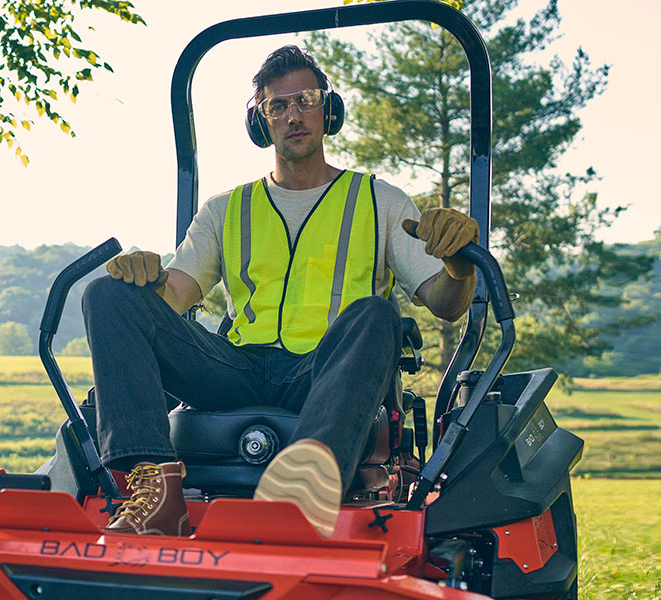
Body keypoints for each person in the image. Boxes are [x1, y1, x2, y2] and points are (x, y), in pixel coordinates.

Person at [83, 45, 479, 538]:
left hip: (325, 372)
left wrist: (459, 266)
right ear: (260, 122)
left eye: (307, 100)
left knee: (376, 313)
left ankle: (306, 485)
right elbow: (174, 295)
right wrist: (141, 277)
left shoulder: (381, 200)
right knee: (106, 294)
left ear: (328, 111)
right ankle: (156, 495)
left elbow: (446, 302)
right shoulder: (225, 209)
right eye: (277, 105)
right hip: (236, 369)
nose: (294, 115)